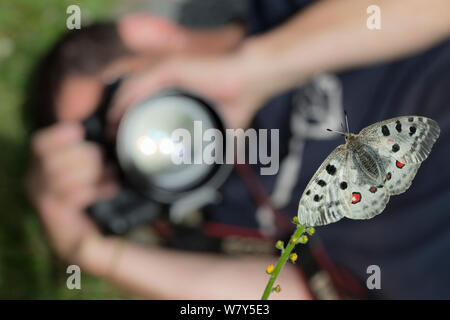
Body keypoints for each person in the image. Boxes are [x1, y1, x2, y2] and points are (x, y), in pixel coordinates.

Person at [26, 0, 450, 299]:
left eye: (120, 113)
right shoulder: (205, 224)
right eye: (112, 152)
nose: (142, 145)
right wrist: (90, 250)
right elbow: (288, 294)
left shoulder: (294, 15)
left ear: (149, 34)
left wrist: (256, 67)